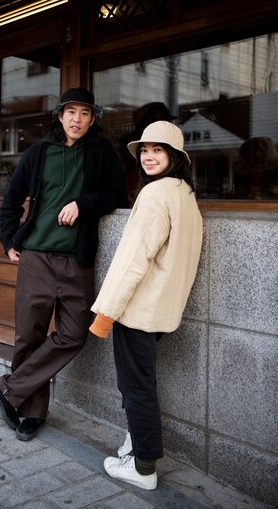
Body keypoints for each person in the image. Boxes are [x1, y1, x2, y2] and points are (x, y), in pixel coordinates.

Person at [0, 87, 127, 441]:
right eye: (71, 112)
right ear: (60, 115)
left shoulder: (101, 154)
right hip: (35, 257)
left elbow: (116, 194)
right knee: (28, 337)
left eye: (84, 113)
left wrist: (83, 203)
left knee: (74, 334)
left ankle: (10, 388)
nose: (76, 119)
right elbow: (11, 200)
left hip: (76, 261)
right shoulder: (38, 153)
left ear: (93, 118)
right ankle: (31, 411)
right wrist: (8, 241)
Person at [89, 120, 203, 490]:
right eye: (145, 151)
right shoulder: (184, 192)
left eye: (159, 150)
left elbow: (131, 261)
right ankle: (135, 445)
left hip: (138, 310)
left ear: (175, 156)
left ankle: (143, 468)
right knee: (140, 383)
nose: (149, 157)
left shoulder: (154, 196)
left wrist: (105, 314)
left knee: (136, 387)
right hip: (161, 311)